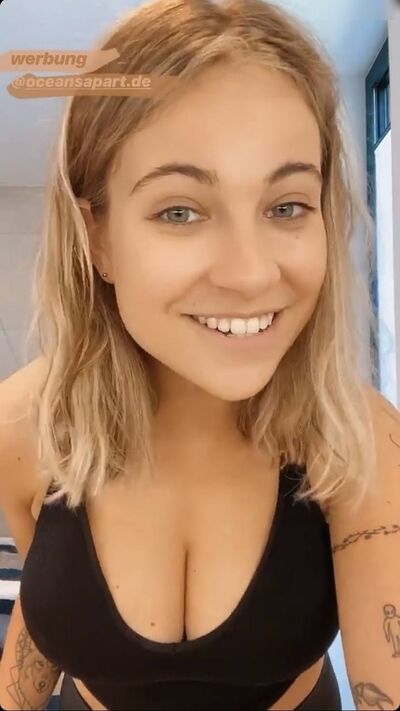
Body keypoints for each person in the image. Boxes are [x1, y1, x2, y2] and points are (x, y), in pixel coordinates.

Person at [0, 0, 378, 709]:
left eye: (287, 206)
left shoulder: (359, 438)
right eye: (180, 210)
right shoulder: (22, 422)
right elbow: (49, 597)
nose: (251, 273)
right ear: (98, 238)